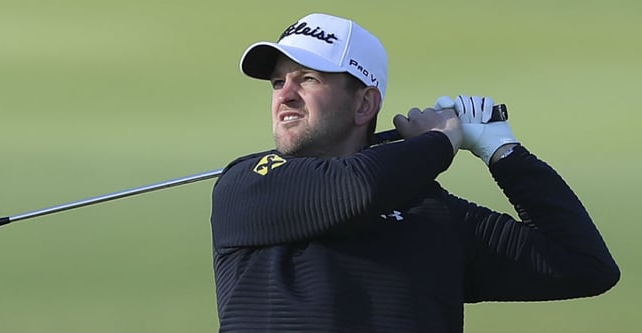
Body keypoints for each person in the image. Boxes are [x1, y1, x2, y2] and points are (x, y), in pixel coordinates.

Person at [210, 12, 619, 333]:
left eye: (308, 79)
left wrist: (504, 153)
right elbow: (356, 190)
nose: (284, 94)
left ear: (365, 105)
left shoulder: (433, 213)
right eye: (278, 81)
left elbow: (584, 265)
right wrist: (440, 141)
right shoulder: (247, 184)